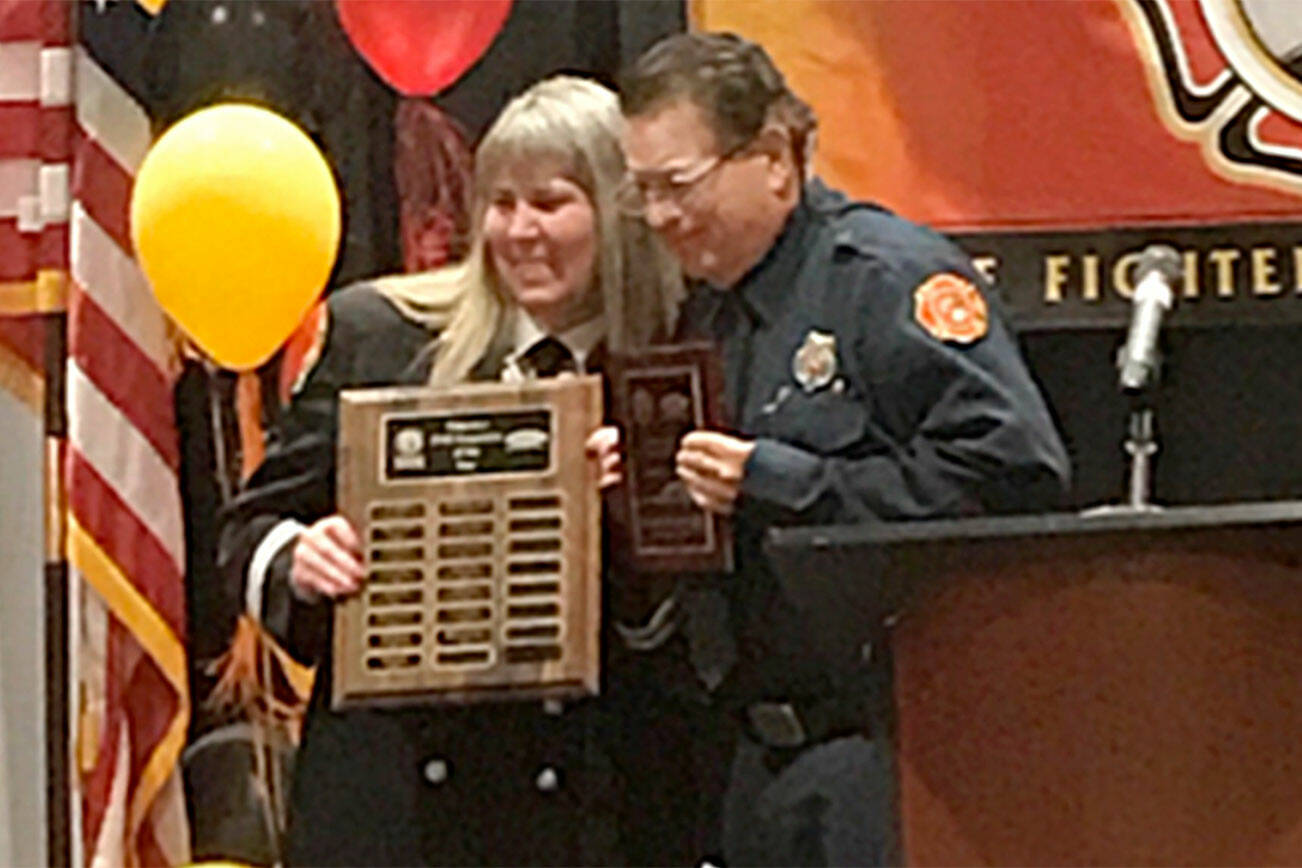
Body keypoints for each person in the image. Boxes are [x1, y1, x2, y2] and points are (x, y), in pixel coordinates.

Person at [218, 75, 716, 867]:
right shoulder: (377, 336)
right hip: (399, 813)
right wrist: (297, 558)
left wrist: (640, 528)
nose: (520, 231)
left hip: (598, 811)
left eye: (550, 202)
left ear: (620, 214)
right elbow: (245, 531)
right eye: (501, 203)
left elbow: (701, 636)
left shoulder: (681, 362)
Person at [602, 31, 1073, 867]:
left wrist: (785, 479)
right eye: (642, 193)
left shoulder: (887, 280)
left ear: (776, 158)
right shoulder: (708, 317)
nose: (662, 219)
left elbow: (1014, 480)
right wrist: (634, 496)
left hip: (893, 756)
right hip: (755, 755)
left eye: (677, 186)